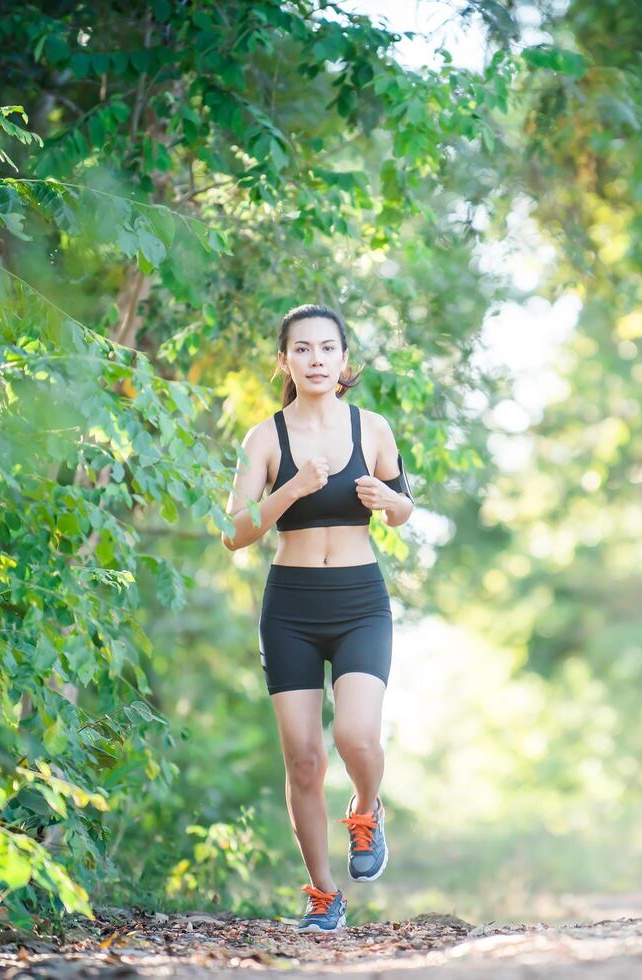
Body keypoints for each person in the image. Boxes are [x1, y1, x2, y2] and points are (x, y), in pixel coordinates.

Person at [220, 303, 415, 933]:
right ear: (284, 361)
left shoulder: (373, 428)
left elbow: (402, 505)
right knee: (304, 758)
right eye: (301, 349)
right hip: (292, 609)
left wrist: (392, 503)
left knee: (358, 737)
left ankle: (366, 810)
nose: (315, 360)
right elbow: (235, 532)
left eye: (327, 349)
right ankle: (324, 896)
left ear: (344, 360)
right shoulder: (264, 438)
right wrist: (294, 488)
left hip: (360, 602)